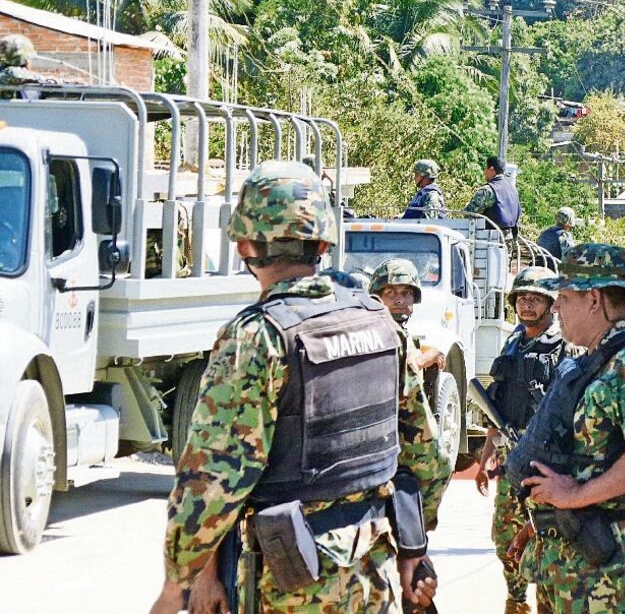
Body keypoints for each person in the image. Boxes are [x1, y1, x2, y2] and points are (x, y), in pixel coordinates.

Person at [149, 161, 437, 614]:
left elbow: (213, 480)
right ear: (323, 243)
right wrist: (414, 551)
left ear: (245, 245)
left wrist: (176, 584)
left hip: (287, 580)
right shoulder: (382, 323)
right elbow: (424, 454)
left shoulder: (257, 338)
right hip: (369, 569)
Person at [506, 244, 625, 613]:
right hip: (574, 552)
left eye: (564, 297)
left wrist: (575, 496)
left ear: (594, 300)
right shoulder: (597, 360)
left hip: (607, 561)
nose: (555, 308)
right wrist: (544, 521)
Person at [473, 267, 576, 614]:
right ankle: (516, 602)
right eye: (521, 298)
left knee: (548, 538)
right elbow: (498, 405)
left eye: (535, 298)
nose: (527, 304)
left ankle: (546, 605)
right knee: (505, 539)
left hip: (547, 463)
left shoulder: (566, 347)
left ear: (550, 304)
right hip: (509, 458)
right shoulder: (513, 343)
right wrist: (487, 455)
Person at [369, 257, 454, 529]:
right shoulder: (380, 328)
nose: (399, 300)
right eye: (391, 293)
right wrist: (426, 357)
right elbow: (405, 365)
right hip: (388, 431)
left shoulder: (394, 329)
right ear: (377, 296)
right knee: (437, 468)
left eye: (406, 293)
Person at [463, 156, 521, 239]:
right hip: (509, 241)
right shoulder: (513, 190)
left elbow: (468, 214)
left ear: (491, 169)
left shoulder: (487, 190)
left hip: (489, 241)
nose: (484, 172)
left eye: (485, 169)